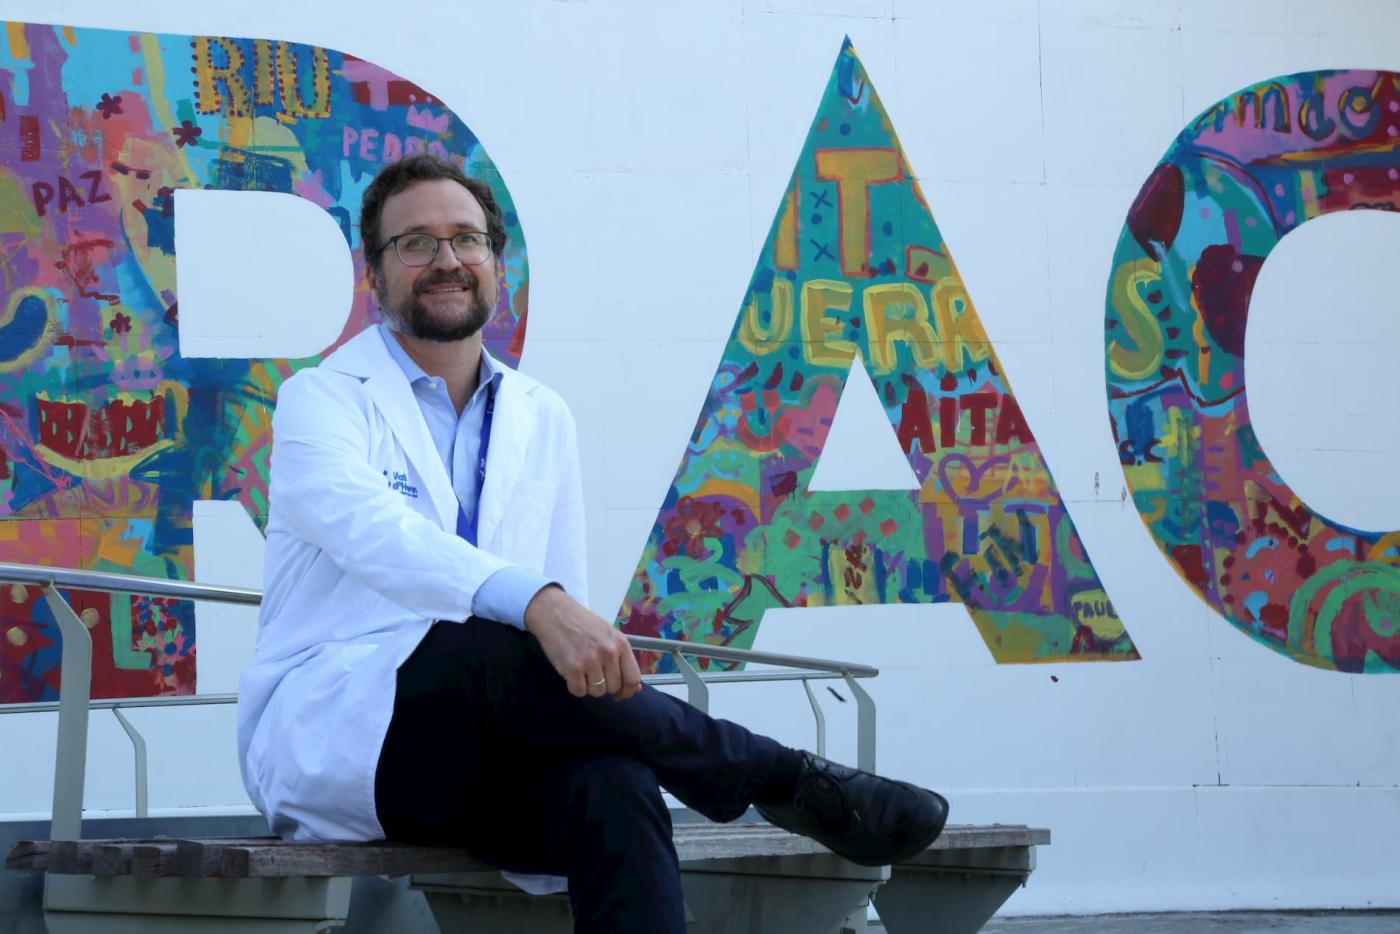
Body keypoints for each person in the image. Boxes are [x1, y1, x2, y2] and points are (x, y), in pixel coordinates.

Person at [235, 154, 949, 933]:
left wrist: (549, 614)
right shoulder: (321, 401)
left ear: (496, 264)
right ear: (374, 274)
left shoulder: (542, 415)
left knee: (618, 786)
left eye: (466, 239)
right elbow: (374, 533)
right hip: (349, 739)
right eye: (415, 243)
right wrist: (535, 604)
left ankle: (774, 783)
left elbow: (564, 621)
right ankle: (779, 777)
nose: (446, 260)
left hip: (485, 754)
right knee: (488, 645)